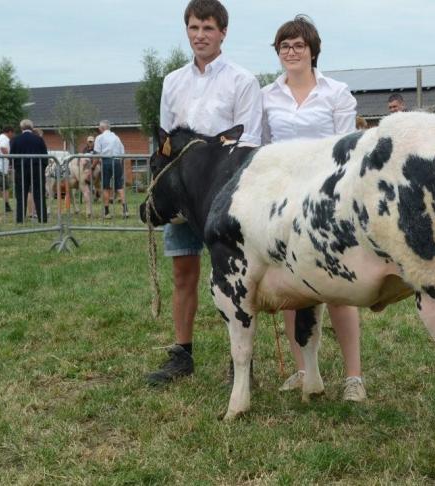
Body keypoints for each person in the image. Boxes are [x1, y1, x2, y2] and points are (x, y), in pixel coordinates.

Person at [146, 0, 263, 386]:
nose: (200, 35)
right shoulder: (172, 81)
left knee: (231, 278)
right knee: (183, 272)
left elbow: (250, 144)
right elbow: (165, 142)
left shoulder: (242, 81)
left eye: (208, 28)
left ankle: (239, 361)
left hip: (224, 196)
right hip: (182, 196)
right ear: (187, 30)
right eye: (194, 28)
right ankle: (182, 354)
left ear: (223, 33)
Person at [261, 15, 366, 402]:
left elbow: (347, 148)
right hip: (283, 202)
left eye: (298, 45)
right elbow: (262, 149)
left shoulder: (337, 93)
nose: (292, 51)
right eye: (284, 46)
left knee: (337, 288)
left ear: (312, 50)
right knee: (291, 288)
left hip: (327, 201)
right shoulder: (266, 95)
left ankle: (353, 377)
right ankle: (303, 369)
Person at [10, 119, 49, 223]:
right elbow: (45, 156)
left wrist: (14, 167)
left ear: (21, 127)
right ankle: (43, 218)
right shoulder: (39, 139)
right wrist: (42, 167)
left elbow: (11, 156)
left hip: (21, 170)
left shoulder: (15, 140)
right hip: (37, 169)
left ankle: (20, 219)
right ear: (31, 128)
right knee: (39, 194)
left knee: (21, 195)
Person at [93, 120, 127, 218]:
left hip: (106, 162)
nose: (98, 128)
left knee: (106, 187)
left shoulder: (100, 138)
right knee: (119, 186)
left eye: (99, 127)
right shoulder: (116, 137)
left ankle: (107, 212)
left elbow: (97, 154)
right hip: (117, 161)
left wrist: (93, 167)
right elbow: (122, 152)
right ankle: (125, 210)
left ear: (102, 128)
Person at [0, 126, 14, 216]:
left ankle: (6, 205)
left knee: (5, 187)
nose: (13, 135)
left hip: (2, 168)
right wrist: (9, 157)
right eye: (12, 133)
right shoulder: (5, 139)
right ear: (9, 132)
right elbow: (2, 148)